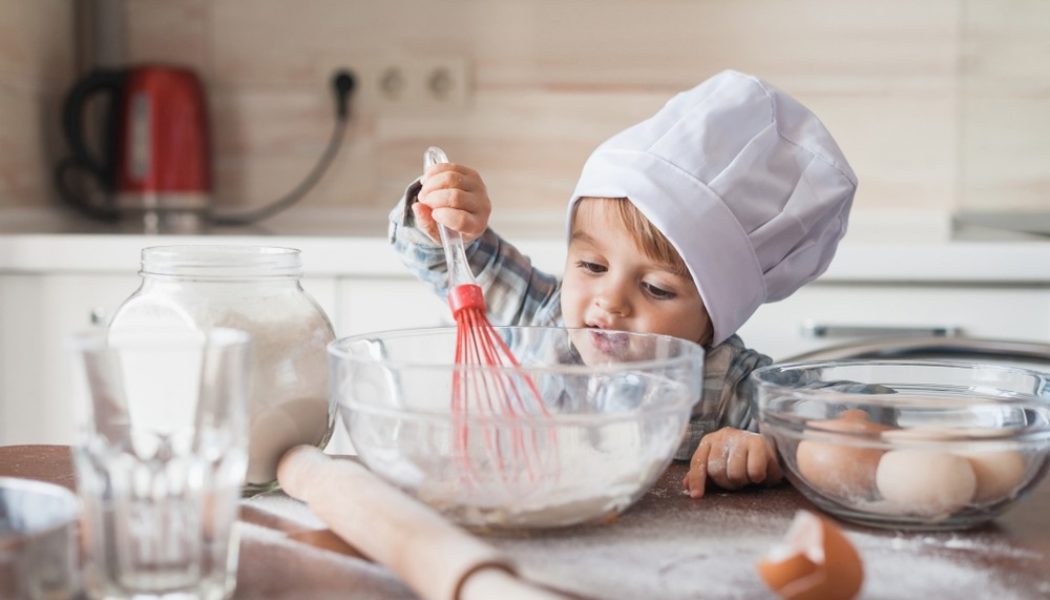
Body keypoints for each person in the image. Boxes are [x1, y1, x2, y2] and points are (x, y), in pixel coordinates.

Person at [387, 69, 857, 498]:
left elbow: (852, 422)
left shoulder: (730, 385)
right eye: (592, 266)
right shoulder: (540, 317)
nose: (610, 301)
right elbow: (433, 255)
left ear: (717, 316)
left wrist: (765, 449)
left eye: (655, 288)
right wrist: (440, 215)